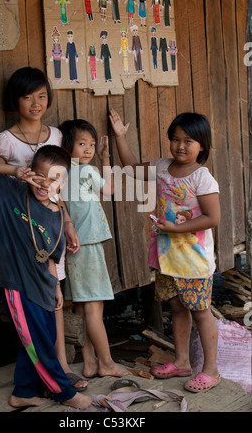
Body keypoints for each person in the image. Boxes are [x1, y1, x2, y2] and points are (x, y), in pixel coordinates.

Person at [0, 141, 92, 410]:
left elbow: (50, 258)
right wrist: (14, 171)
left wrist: (56, 288)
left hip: (42, 286)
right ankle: (64, 393)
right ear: (30, 171)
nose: (46, 184)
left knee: (43, 337)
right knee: (38, 342)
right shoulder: (11, 190)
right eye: (41, 176)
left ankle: (23, 391)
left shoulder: (57, 215)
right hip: (16, 284)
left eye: (55, 180)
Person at [109, 109, 221, 394]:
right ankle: (181, 362)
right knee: (177, 308)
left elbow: (212, 218)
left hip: (195, 260)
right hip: (168, 256)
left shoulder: (202, 177)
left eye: (189, 141)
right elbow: (132, 169)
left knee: (201, 312)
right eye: (176, 139)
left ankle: (210, 371)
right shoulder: (161, 167)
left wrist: (175, 229)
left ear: (202, 146)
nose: (180, 146)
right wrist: (121, 137)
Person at [0, 67, 87, 392]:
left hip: (53, 230)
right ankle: (45, 376)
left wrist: (69, 224)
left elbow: (61, 189)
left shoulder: (57, 137)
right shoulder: (6, 140)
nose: (36, 103)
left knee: (55, 295)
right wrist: (18, 172)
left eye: (42, 96)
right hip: (24, 234)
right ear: (15, 100)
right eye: (28, 96)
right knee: (33, 307)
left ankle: (60, 365)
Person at [58, 119, 130, 379]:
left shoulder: (60, 172)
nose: (88, 149)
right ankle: (107, 363)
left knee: (81, 306)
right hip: (87, 244)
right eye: (81, 143)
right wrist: (106, 158)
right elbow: (110, 189)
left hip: (73, 244)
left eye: (91, 144)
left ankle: (89, 363)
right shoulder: (85, 170)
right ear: (67, 146)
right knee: (93, 309)